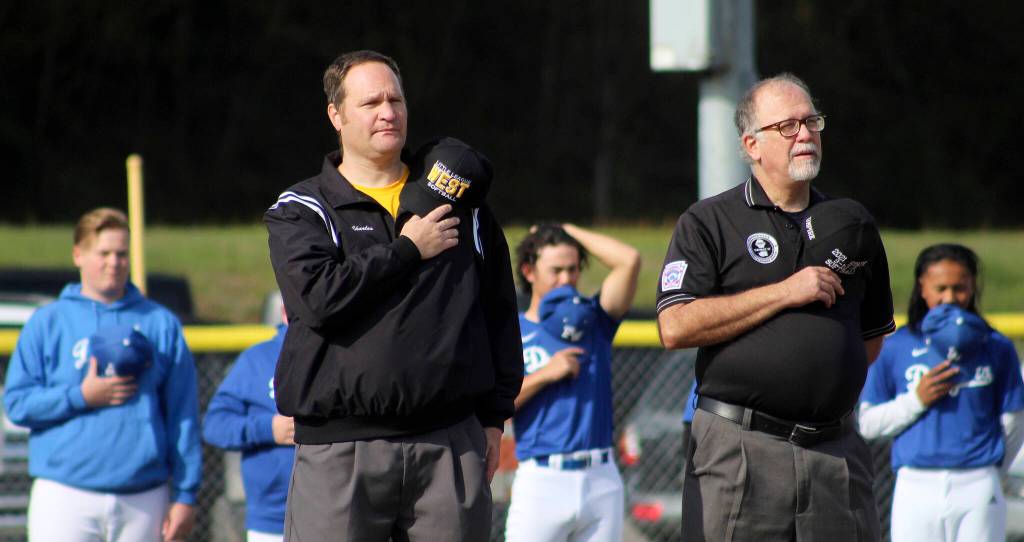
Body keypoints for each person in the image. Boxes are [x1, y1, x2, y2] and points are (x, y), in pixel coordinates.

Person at [264, 50, 523, 541]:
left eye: (396, 99)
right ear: (335, 116)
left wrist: (493, 417)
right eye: (371, 103)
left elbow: (498, 314)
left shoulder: (459, 204)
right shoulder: (302, 209)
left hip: (450, 444)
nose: (388, 112)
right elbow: (318, 298)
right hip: (342, 449)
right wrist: (407, 250)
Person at [656, 73, 896, 541]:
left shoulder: (851, 224)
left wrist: (822, 384)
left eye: (811, 122)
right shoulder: (710, 221)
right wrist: (787, 291)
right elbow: (674, 326)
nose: (805, 134)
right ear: (752, 145)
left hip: (835, 450)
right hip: (743, 449)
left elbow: (870, 339)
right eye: (787, 126)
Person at [3, 207, 202, 542]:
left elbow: (183, 414)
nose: (114, 262)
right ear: (78, 255)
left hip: (143, 494)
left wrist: (185, 494)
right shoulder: (48, 322)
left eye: (122, 254)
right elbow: (18, 404)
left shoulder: (159, 323)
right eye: (104, 253)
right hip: (65, 493)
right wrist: (81, 396)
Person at [858, 243, 1024, 542]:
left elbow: (1014, 420)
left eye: (959, 288)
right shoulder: (896, 346)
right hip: (915, 484)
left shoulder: (996, 346)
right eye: (941, 288)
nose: (949, 298)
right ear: (922, 287)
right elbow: (869, 424)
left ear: (973, 286)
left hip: (978, 481)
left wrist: (992, 472)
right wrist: (917, 399)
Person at [505, 223, 641, 542]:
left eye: (572, 269)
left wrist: (566, 231)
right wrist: (545, 375)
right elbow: (495, 407)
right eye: (555, 270)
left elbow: (629, 260)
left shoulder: (594, 320)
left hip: (601, 476)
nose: (566, 279)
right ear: (529, 271)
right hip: (542, 479)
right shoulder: (512, 330)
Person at [203, 304, 293, 542]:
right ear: (284, 312)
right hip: (272, 517)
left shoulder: (339, 356)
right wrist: (269, 429)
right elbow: (215, 425)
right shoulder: (257, 359)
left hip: (332, 510)